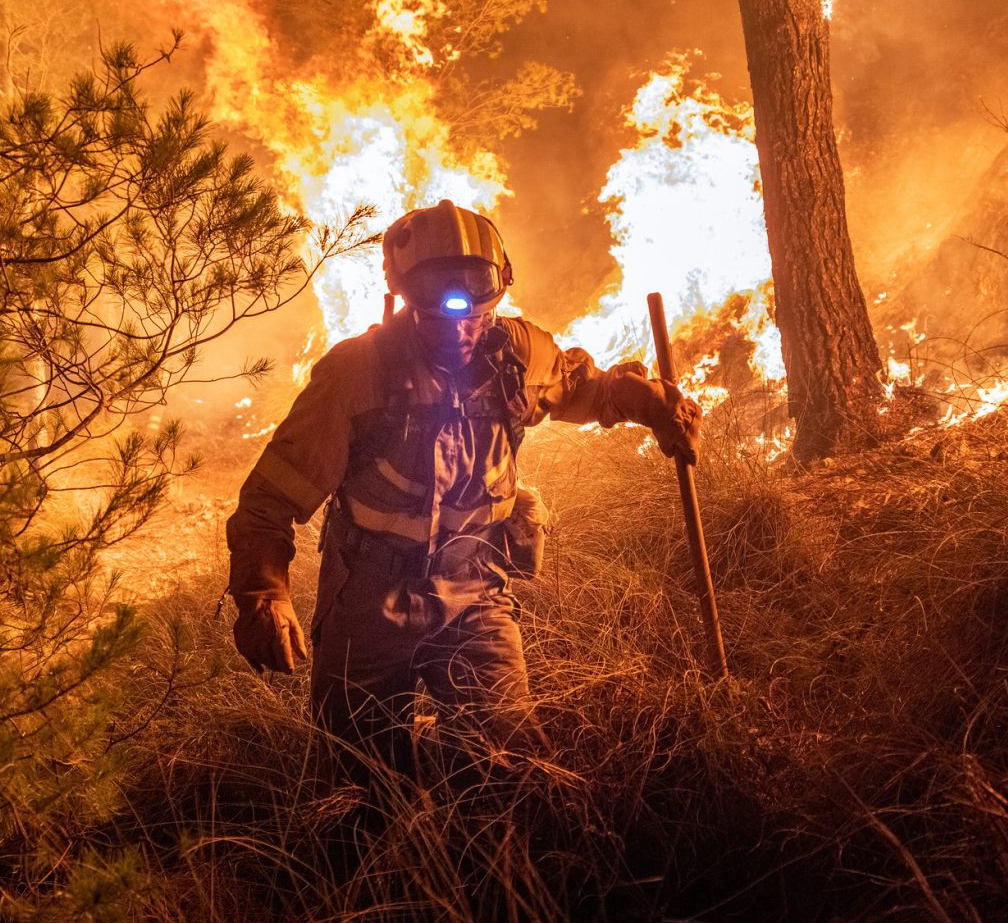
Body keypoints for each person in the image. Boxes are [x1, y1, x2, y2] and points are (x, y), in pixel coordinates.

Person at [223, 199, 701, 782]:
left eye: (477, 290)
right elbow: (269, 505)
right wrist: (263, 594)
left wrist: (647, 401)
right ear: (404, 293)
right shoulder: (357, 374)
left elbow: (585, 389)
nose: (459, 314)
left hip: (475, 591)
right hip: (370, 598)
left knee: (513, 766)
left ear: (500, 287)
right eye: (435, 292)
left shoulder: (520, 356)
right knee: (359, 783)